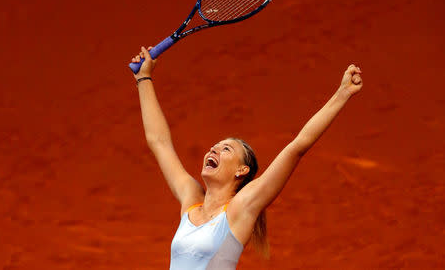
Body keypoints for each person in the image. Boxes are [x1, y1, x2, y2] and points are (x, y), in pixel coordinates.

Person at [130, 46, 363, 269]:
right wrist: (144, 78)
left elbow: (297, 147)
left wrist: (342, 94)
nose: (214, 150)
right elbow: (159, 143)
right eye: (215, 146)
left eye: (226, 149)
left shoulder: (240, 209)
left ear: (241, 170)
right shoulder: (191, 201)